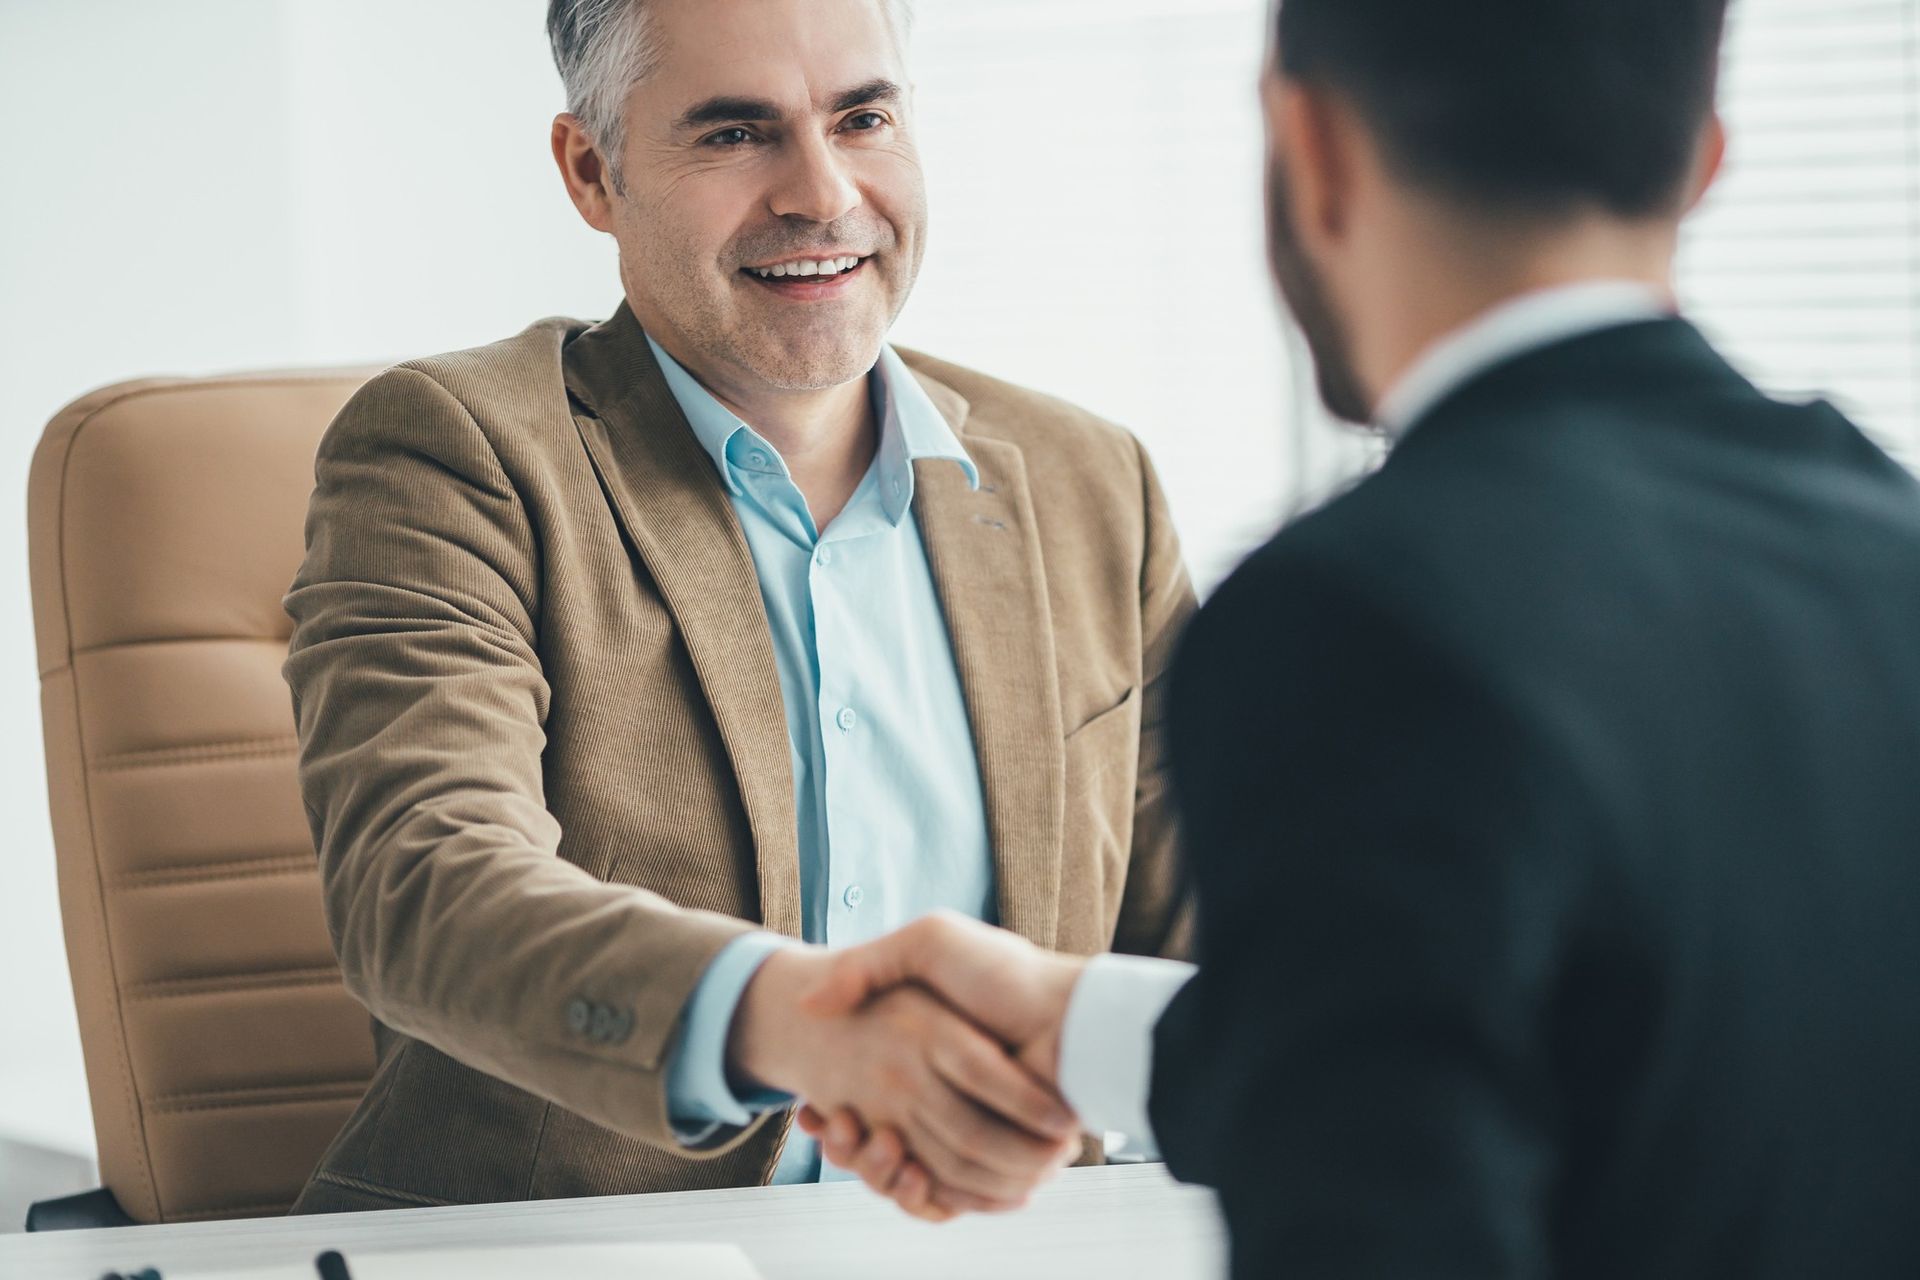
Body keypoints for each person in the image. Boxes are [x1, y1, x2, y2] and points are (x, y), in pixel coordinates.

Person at [800, 0, 1920, 1273]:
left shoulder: (1351, 615)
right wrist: (1085, 1022)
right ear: (1703, 159)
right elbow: (1625, 1061)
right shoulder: (1889, 546)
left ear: (1309, 146)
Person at [281, 0, 1193, 1215]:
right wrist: (801, 1023)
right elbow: (425, 887)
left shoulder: (1092, 482)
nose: (822, 193)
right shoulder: (459, 452)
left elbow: (1217, 934)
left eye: (863, 117)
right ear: (592, 172)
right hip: (573, 1249)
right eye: (733, 134)